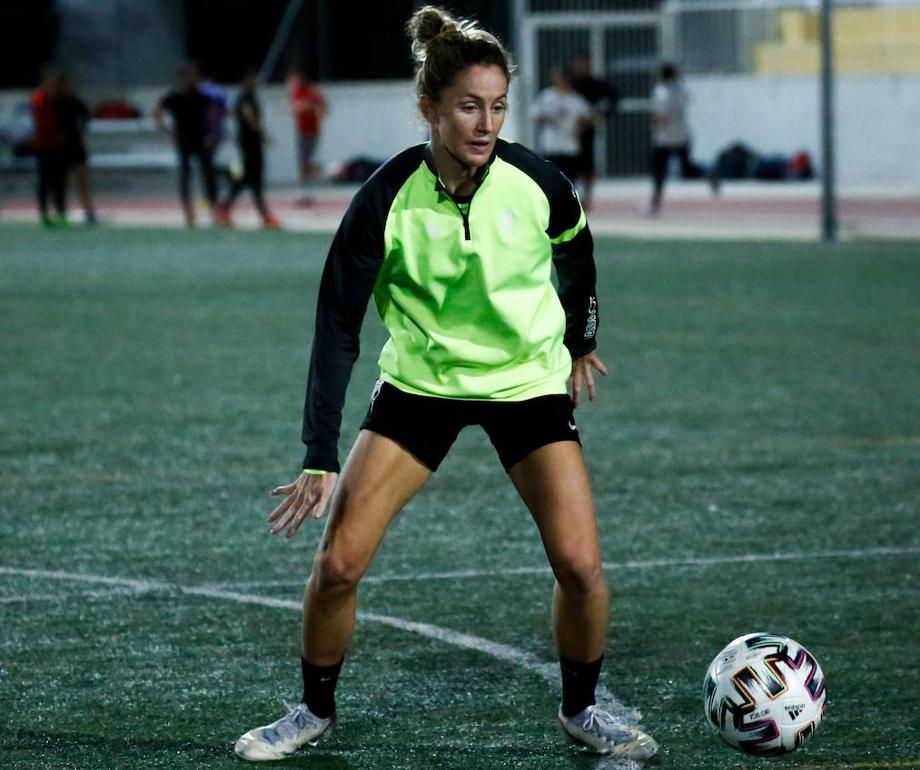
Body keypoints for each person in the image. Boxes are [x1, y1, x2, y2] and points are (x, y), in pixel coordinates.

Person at [233, 5, 658, 763]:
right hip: (421, 387)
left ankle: (583, 708)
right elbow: (338, 326)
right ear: (429, 107)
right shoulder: (384, 200)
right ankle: (312, 710)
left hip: (526, 385)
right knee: (337, 566)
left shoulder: (540, 183)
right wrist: (317, 452)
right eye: (468, 105)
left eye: (497, 106)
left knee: (582, 567)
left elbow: (577, 252)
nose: (486, 122)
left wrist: (580, 337)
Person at [155, 64, 219, 228]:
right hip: (184, 141)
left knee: (208, 175)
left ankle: (214, 210)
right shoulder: (175, 97)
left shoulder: (202, 97)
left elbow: (214, 115)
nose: (193, 79)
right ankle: (189, 213)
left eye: (195, 76)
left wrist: (212, 135)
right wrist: (168, 131)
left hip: (201, 141)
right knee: (185, 176)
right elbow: (157, 112)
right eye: (190, 76)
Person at [216, 69, 280, 228]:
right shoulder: (246, 97)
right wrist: (262, 133)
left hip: (249, 142)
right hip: (250, 143)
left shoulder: (243, 97)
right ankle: (262, 215)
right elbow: (248, 116)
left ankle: (227, 209)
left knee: (250, 179)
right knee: (252, 178)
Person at [569, 54, 618, 210]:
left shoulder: (596, 84)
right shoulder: (572, 84)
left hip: (587, 130)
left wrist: (600, 115)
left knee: (587, 164)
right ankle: (570, 195)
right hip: (568, 132)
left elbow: (613, 99)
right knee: (569, 165)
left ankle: (587, 196)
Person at [649, 63, 698, 215]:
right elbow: (689, 99)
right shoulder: (681, 89)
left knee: (659, 171)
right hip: (682, 134)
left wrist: (654, 126)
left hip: (664, 137)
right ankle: (711, 177)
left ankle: (655, 202)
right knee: (688, 168)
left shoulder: (660, 91)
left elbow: (660, 115)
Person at [532, 66, 592, 182]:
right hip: (551, 146)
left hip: (570, 147)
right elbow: (535, 115)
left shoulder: (576, 100)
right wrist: (547, 118)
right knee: (550, 179)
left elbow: (587, 118)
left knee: (569, 179)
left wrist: (580, 131)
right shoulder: (546, 96)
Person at [55, 72, 97, 225]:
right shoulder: (54, 103)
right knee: (63, 182)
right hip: (60, 148)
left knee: (84, 180)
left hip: (76, 145)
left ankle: (89, 211)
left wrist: (80, 131)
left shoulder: (74, 102)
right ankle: (61, 212)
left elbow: (87, 117)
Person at [30, 65, 69, 228]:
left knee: (60, 180)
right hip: (44, 146)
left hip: (57, 146)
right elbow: (44, 123)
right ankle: (44, 213)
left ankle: (60, 213)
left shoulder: (58, 98)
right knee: (45, 181)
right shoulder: (39, 98)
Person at [287, 67, 328, 207]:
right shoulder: (297, 92)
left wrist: (309, 108)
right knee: (303, 164)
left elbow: (323, 109)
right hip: (302, 131)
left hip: (311, 132)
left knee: (305, 164)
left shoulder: (312, 92)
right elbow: (294, 108)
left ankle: (306, 193)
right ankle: (305, 193)